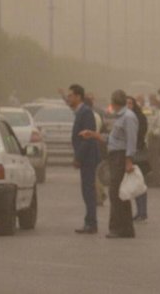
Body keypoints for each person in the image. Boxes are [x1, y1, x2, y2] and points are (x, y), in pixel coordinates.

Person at [80, 89, 137, 238]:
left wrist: (129, 160)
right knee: (119, 193)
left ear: (114, 102)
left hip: (121, 157)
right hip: (115, 156)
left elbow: (131, 140)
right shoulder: (120, 117)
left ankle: (118, 228)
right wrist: (93, 135)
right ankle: (125, 229)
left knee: (116, 193)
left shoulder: (128, 117)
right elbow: (112, 139)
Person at [66, 84, 100, 234]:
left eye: (70, 95)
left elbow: (87, 138)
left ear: (78, 96)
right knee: (86, 190)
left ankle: (91, 223)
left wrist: (78, 157)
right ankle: (89, 221)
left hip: (88, 158)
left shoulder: (86, 112)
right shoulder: (80, 112)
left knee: (88, 190)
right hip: (85, 157)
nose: (69, 98)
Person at [127, 96, 149, 222]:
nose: (128, 105)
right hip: (132, 153)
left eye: (130, 103)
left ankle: (142, 212)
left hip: (139, 154)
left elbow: (140, 135)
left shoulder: (139, 117)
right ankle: (139, 211)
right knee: (135, 185)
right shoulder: (127, 117)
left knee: (140, 184)